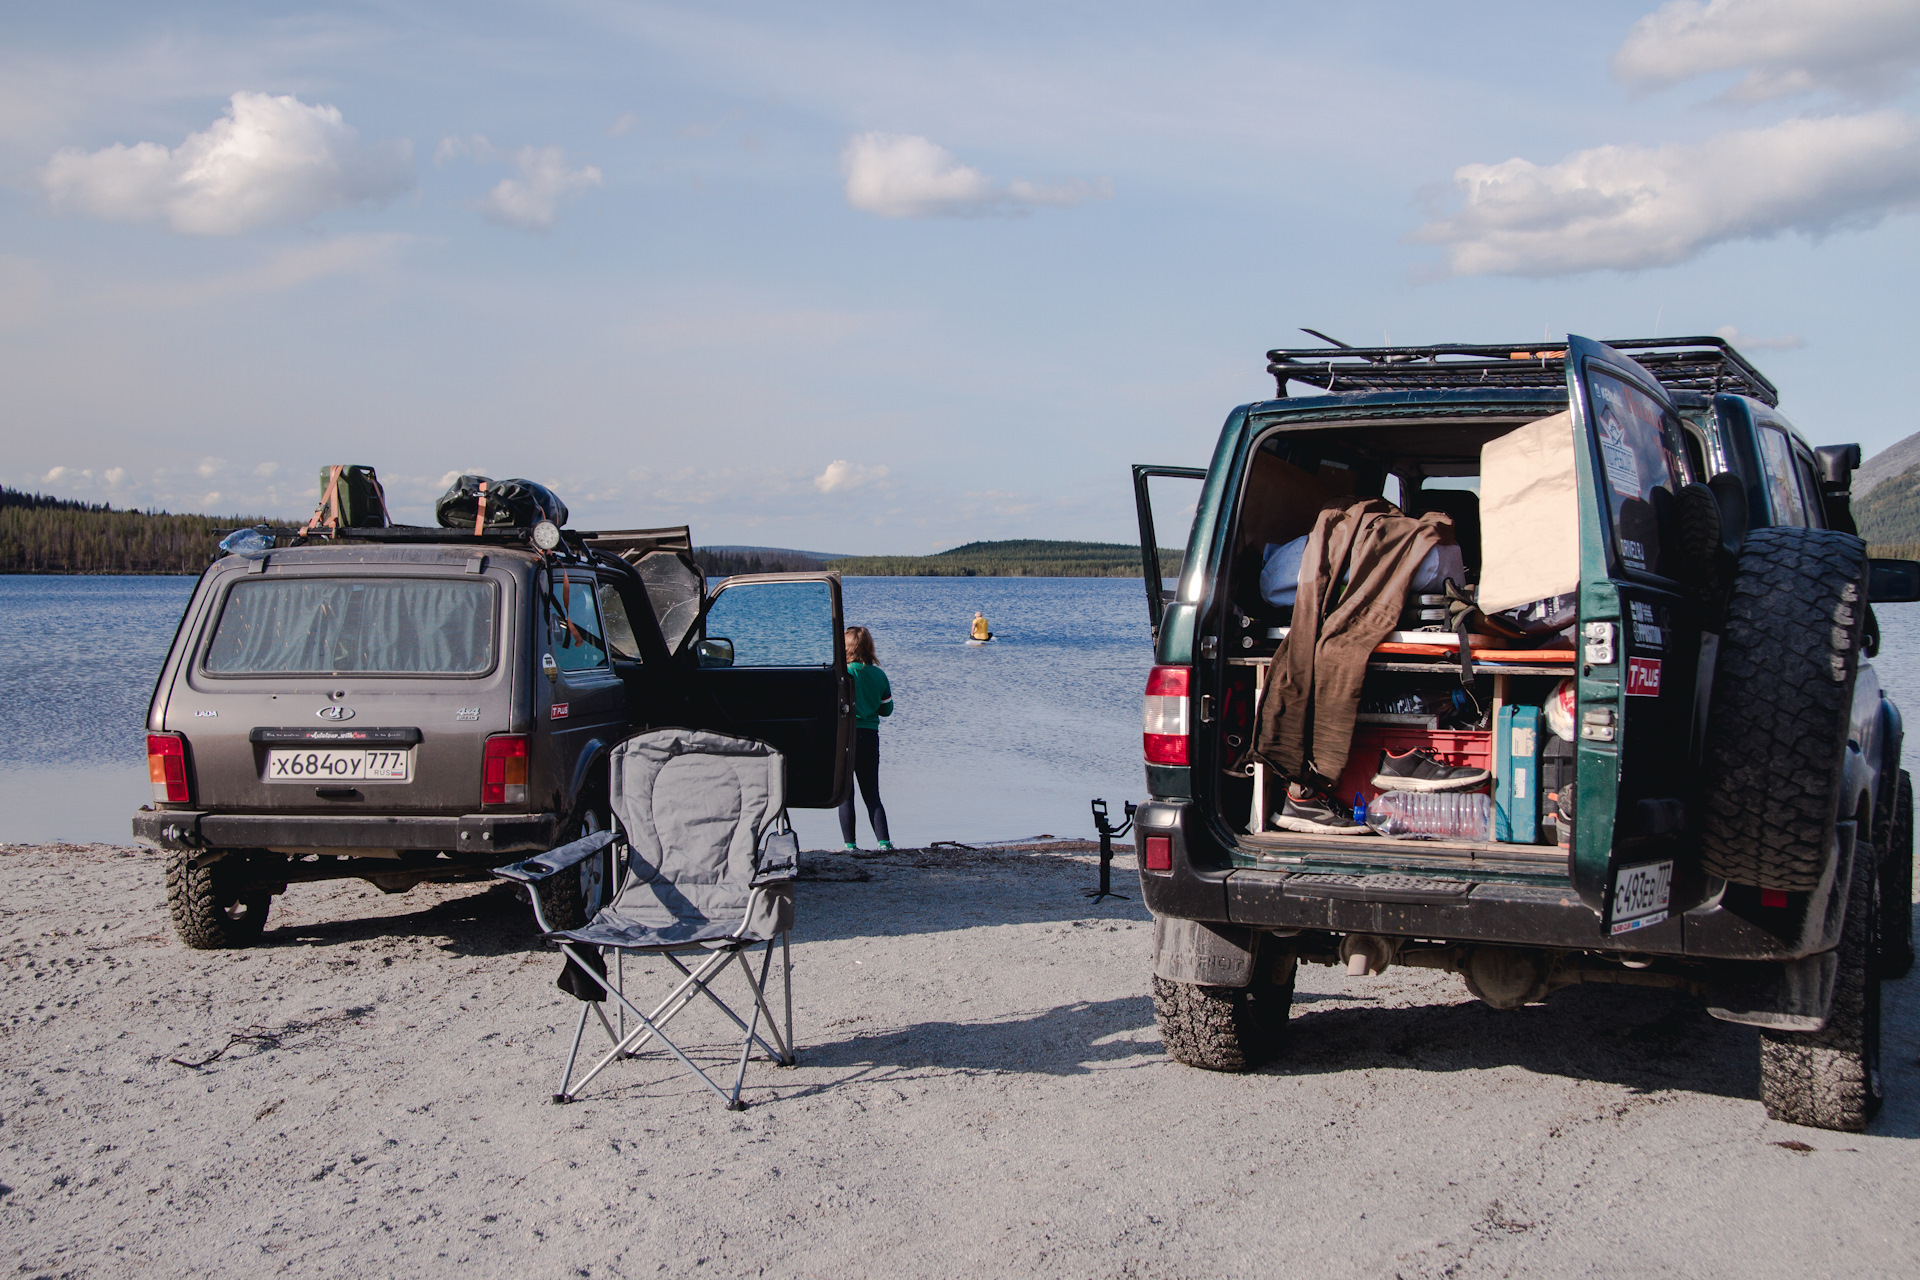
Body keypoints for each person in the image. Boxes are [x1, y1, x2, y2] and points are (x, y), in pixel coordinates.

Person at [839, 625, 894, 852]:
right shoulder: (879, 675)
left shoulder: (843, 674)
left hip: (845, 737)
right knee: (872, 795)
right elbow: (886, 710)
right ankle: (884, 843)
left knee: (845, 794)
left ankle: (850, 845)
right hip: (870, 737)